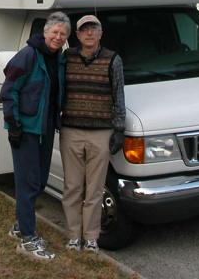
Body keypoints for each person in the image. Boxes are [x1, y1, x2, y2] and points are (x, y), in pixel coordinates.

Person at [0, 11, 70, 260]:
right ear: (45, 32)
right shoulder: (28, 55)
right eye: (54, 32)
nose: (58, 37)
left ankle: (20, 225)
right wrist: (13, 123)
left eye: (63, 34)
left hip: (45, 127)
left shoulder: (58, 59)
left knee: (39, 181)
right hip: (25, 129)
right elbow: (9, 89)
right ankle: (28, 239)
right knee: (28, 183)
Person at [60, 14, 126, 254]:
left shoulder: (113, 60)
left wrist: (119, 129)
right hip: (71, 131)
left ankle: (90, 238)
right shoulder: (67, 58)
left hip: (101, 133)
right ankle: (73, 236)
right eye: (84, 30)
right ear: (77, 35)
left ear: (101, 33)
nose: (89, 33)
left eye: (94, 29)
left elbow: (119, 95)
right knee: (73, 188)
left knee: (95, 190)